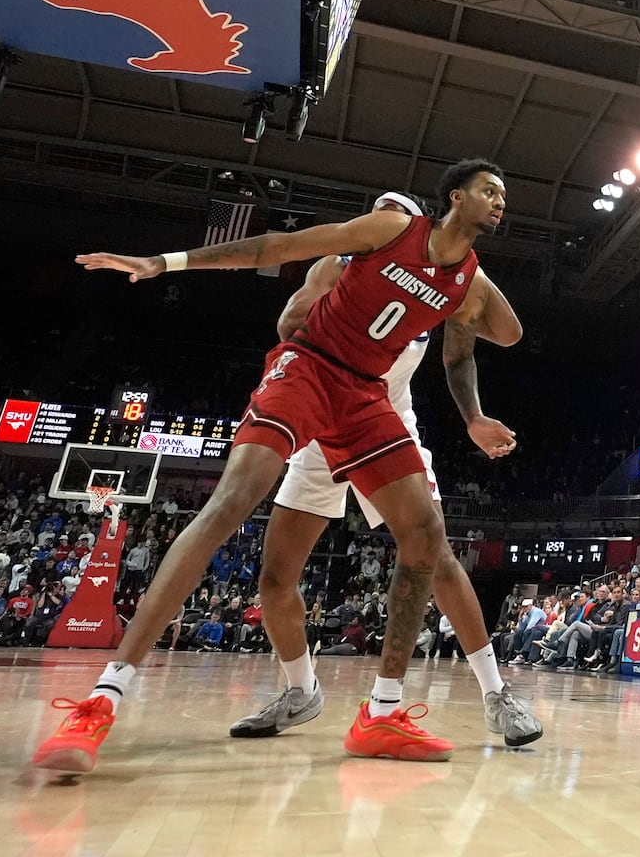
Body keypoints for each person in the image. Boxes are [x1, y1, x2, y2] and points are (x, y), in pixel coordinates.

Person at [34, 159, 519, 774]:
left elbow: (508, 332)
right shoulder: (381, 234)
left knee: (426, 536)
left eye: (505, 195)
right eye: (489, 190)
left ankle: (383, 711)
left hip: (369, 399)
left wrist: (466, 266)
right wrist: (167, 262)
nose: (502, 201)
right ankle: (104, 698)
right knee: (233, 503)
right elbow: (276, 247)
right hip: (310, 371)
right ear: (451, 196)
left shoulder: (466, 280)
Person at [227, 189, 540, 746]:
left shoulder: (440, 279)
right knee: (276, 577)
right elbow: (287, 328)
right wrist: (333, 285)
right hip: (322, 425)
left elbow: (466, 350)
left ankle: (496, 694)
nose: (383, 226)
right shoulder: (340, 266)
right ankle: (301, 690)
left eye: (394, 219)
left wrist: (472, 417)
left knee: (437, 556)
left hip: (388, 426)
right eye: (376, 219)